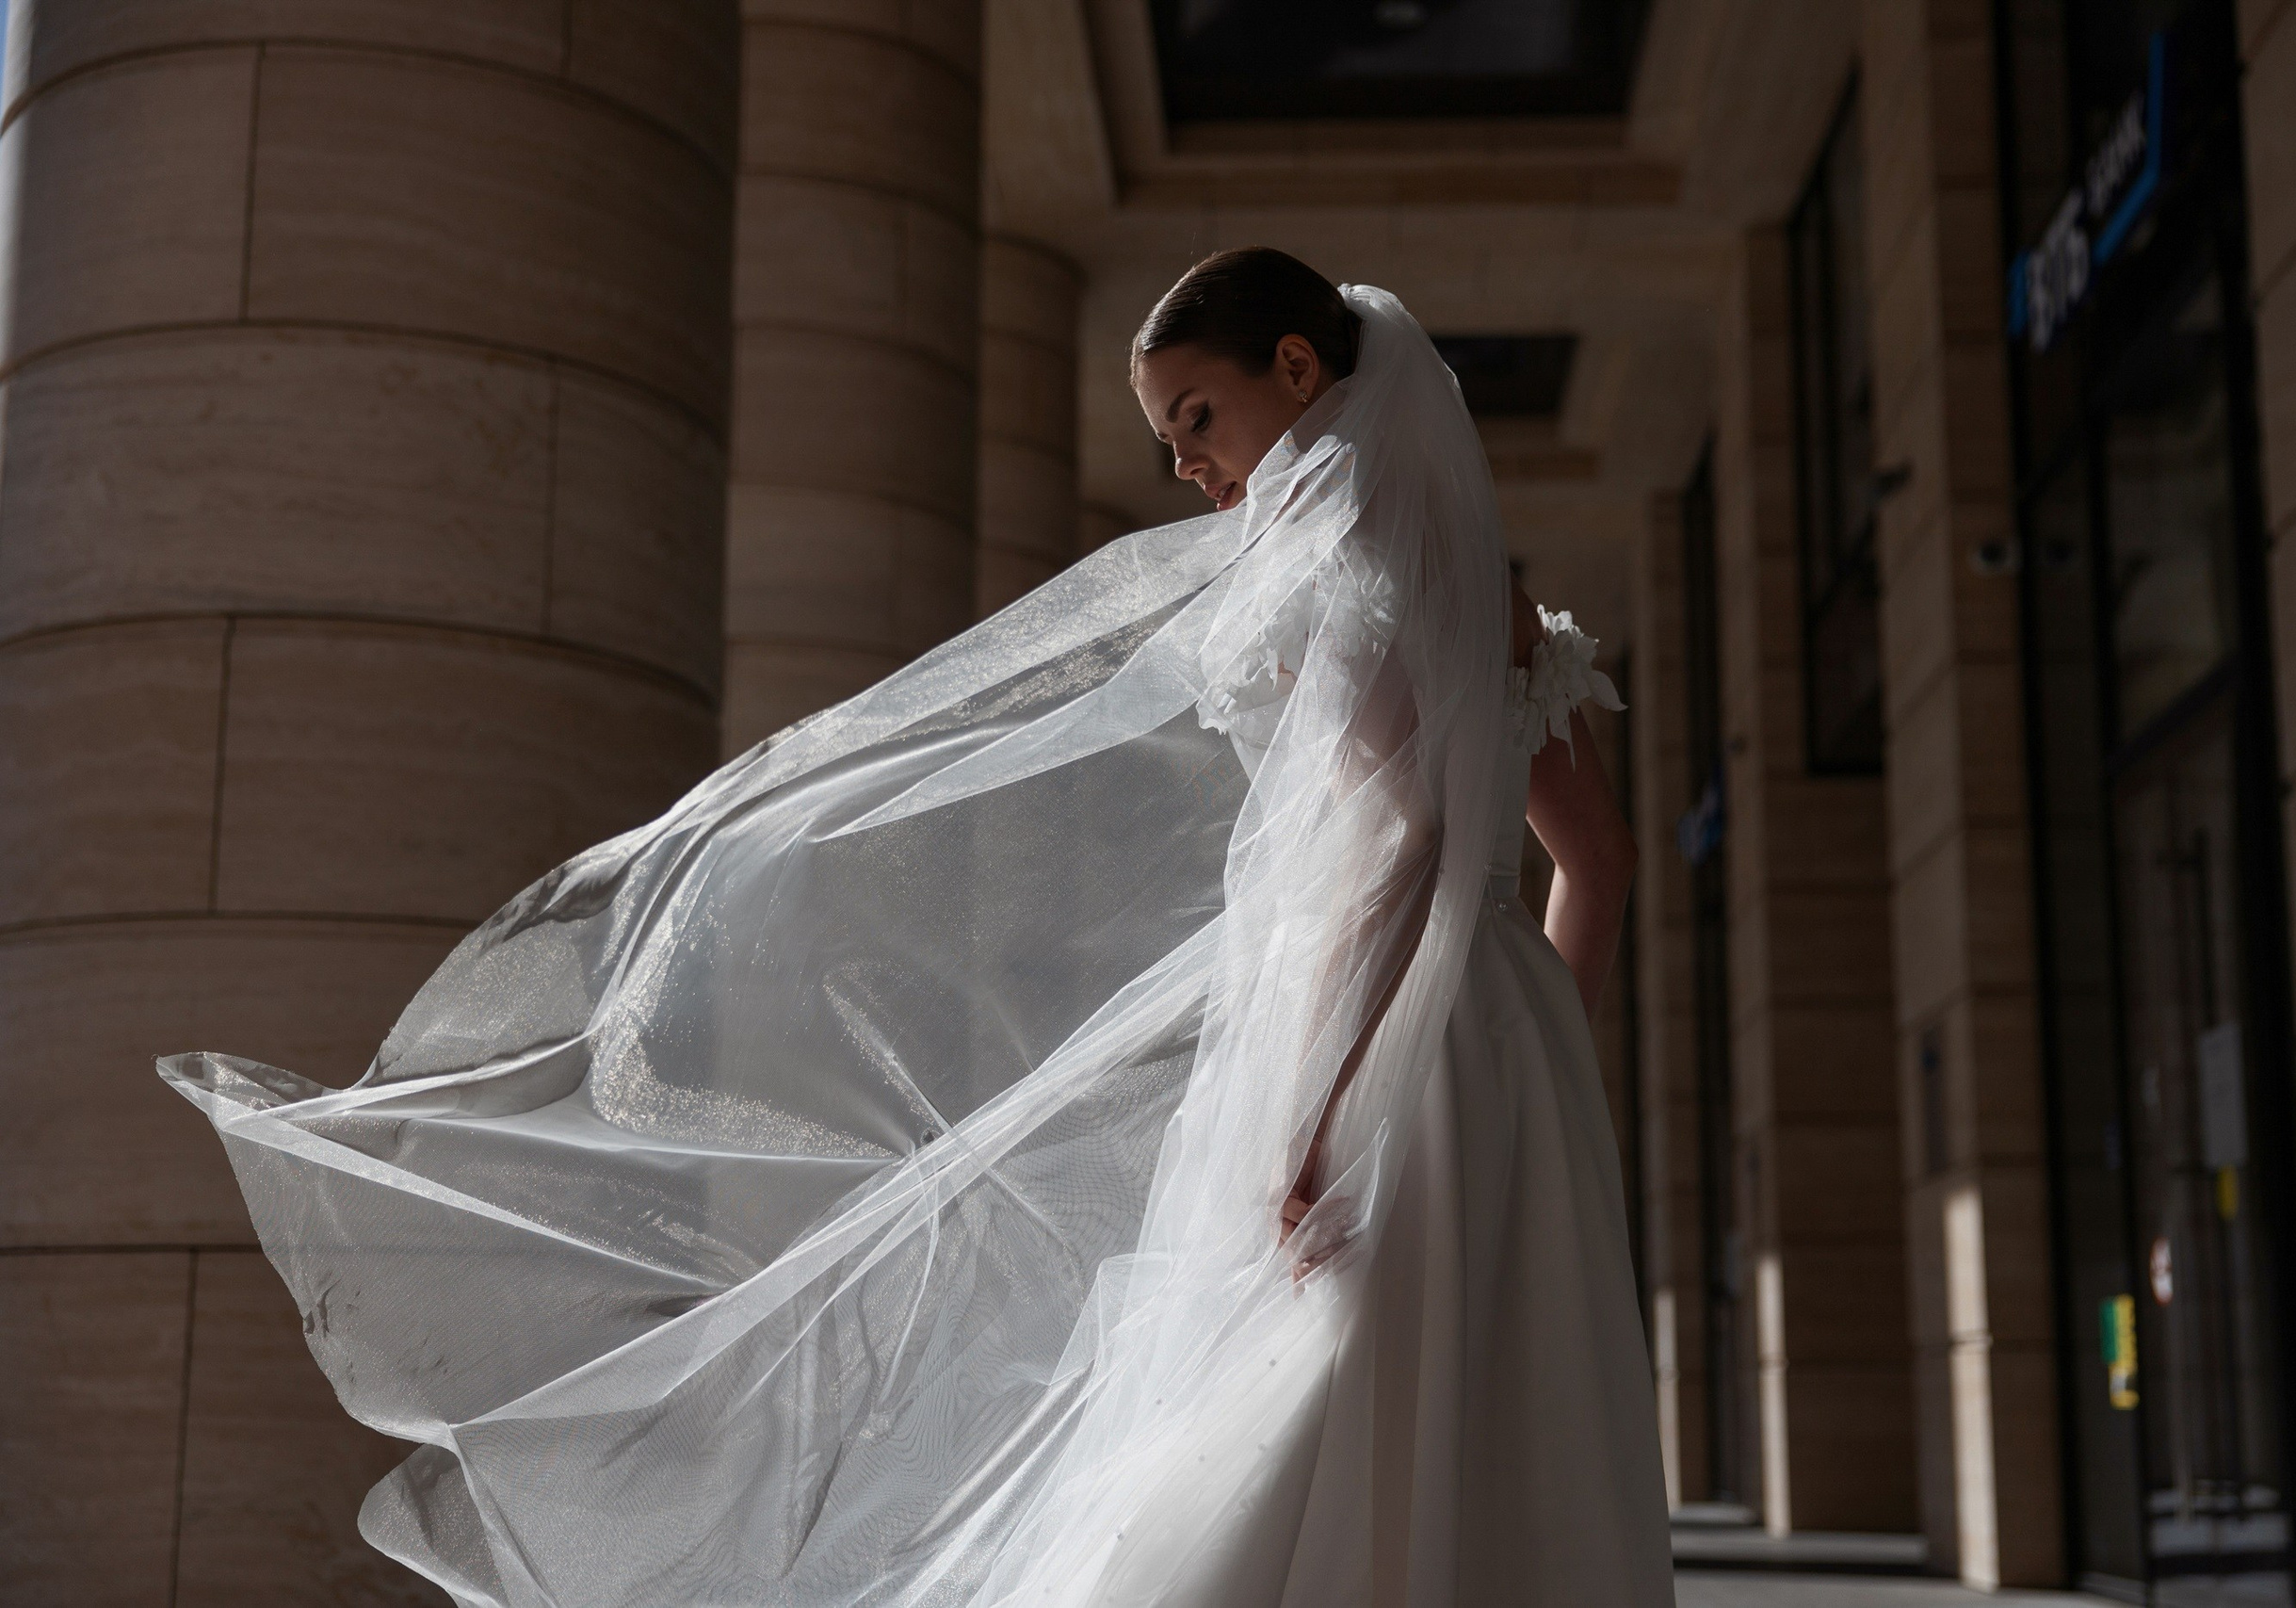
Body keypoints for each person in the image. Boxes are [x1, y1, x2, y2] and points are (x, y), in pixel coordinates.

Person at [163, 248, 1675, 1607]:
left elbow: (1396, 861)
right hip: (1499, 1052)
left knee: (1318, 1381)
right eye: (1169, 444)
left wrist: (1337, 1101)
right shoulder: (1499, 606)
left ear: (1296, 369)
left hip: (1364, 1046)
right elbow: (1594, 864)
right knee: (1482, 1401)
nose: (1188, 470)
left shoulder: (1353, 589)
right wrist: (1534, 1056)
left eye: (1198, 420)